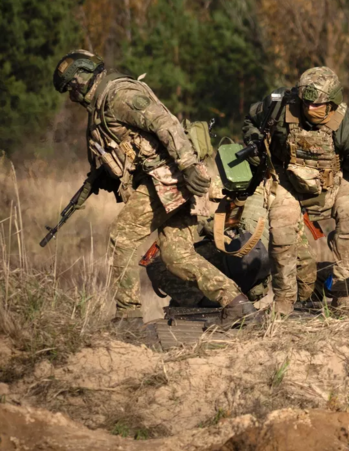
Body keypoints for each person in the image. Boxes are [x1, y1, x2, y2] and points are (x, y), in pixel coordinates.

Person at [52, 50, 257, 327]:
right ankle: (237, 304)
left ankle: (128, 316)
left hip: (169, 180)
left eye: (70, 90)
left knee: (121, 236)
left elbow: (166, 123)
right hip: (171, 182)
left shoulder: (117, 95)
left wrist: (186, 166)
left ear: (80, 79)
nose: (71, 98)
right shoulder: (103, 105)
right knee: (176, 255)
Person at [242, 67, 349, 315]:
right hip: (288, 178)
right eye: (305, 102)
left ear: (333, 102)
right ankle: (284, 300)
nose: (309, 109)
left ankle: (343, 295)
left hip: (336, 180)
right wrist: (254, 138)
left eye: (318, 105)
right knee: (281, 227)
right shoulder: (277, 106)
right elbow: (249, 121)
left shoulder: (346, 125)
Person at [145, 183, 318, 308]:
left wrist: (204, 226)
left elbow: (216, 228)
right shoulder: (291, 201)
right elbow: (303, 260)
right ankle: (220, 301)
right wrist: (301, 301)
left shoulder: (241, 191)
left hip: (239, 261)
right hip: (259, 282)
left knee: (158, 266)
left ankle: (211, 305)